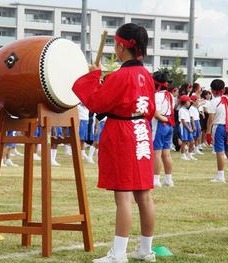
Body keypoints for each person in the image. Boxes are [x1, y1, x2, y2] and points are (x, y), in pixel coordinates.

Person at [73, 23, 156, 262]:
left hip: (123, 134)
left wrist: (92, 76)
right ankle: (145, 249)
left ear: (121, 47)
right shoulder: (145, 76)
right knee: (144, 195)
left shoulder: (121, 76)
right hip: (141, 130)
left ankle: (118, 254)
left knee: (123, 196)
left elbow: (97, 103)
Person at [206, 79, 228, 183]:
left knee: (219, 152)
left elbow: (211, 118)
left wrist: (208, 131)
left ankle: (220, 176)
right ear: (223, 89)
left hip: (219, 127)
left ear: (212, 90)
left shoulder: (213, 101)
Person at [151, 71, 174, 187]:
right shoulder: (170, 95)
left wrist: (166, 120)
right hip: (169, 126)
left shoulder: (157, 96)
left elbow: (156, 114)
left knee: (157, 153)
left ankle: (156, 179)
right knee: (167, 154)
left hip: (160, 125)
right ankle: (168, 179)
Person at [178, 95, 195, 160]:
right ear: (185, 102)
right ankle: (183, 155)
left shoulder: (187, 110)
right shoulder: (181, 110)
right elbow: (183, 121)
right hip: (184, 126)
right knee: (184, 141)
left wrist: (190, 126)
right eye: (189, 102)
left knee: (192, 141)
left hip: (188, 125)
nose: (190, 103)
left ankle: (189, 154)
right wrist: (188, 128)